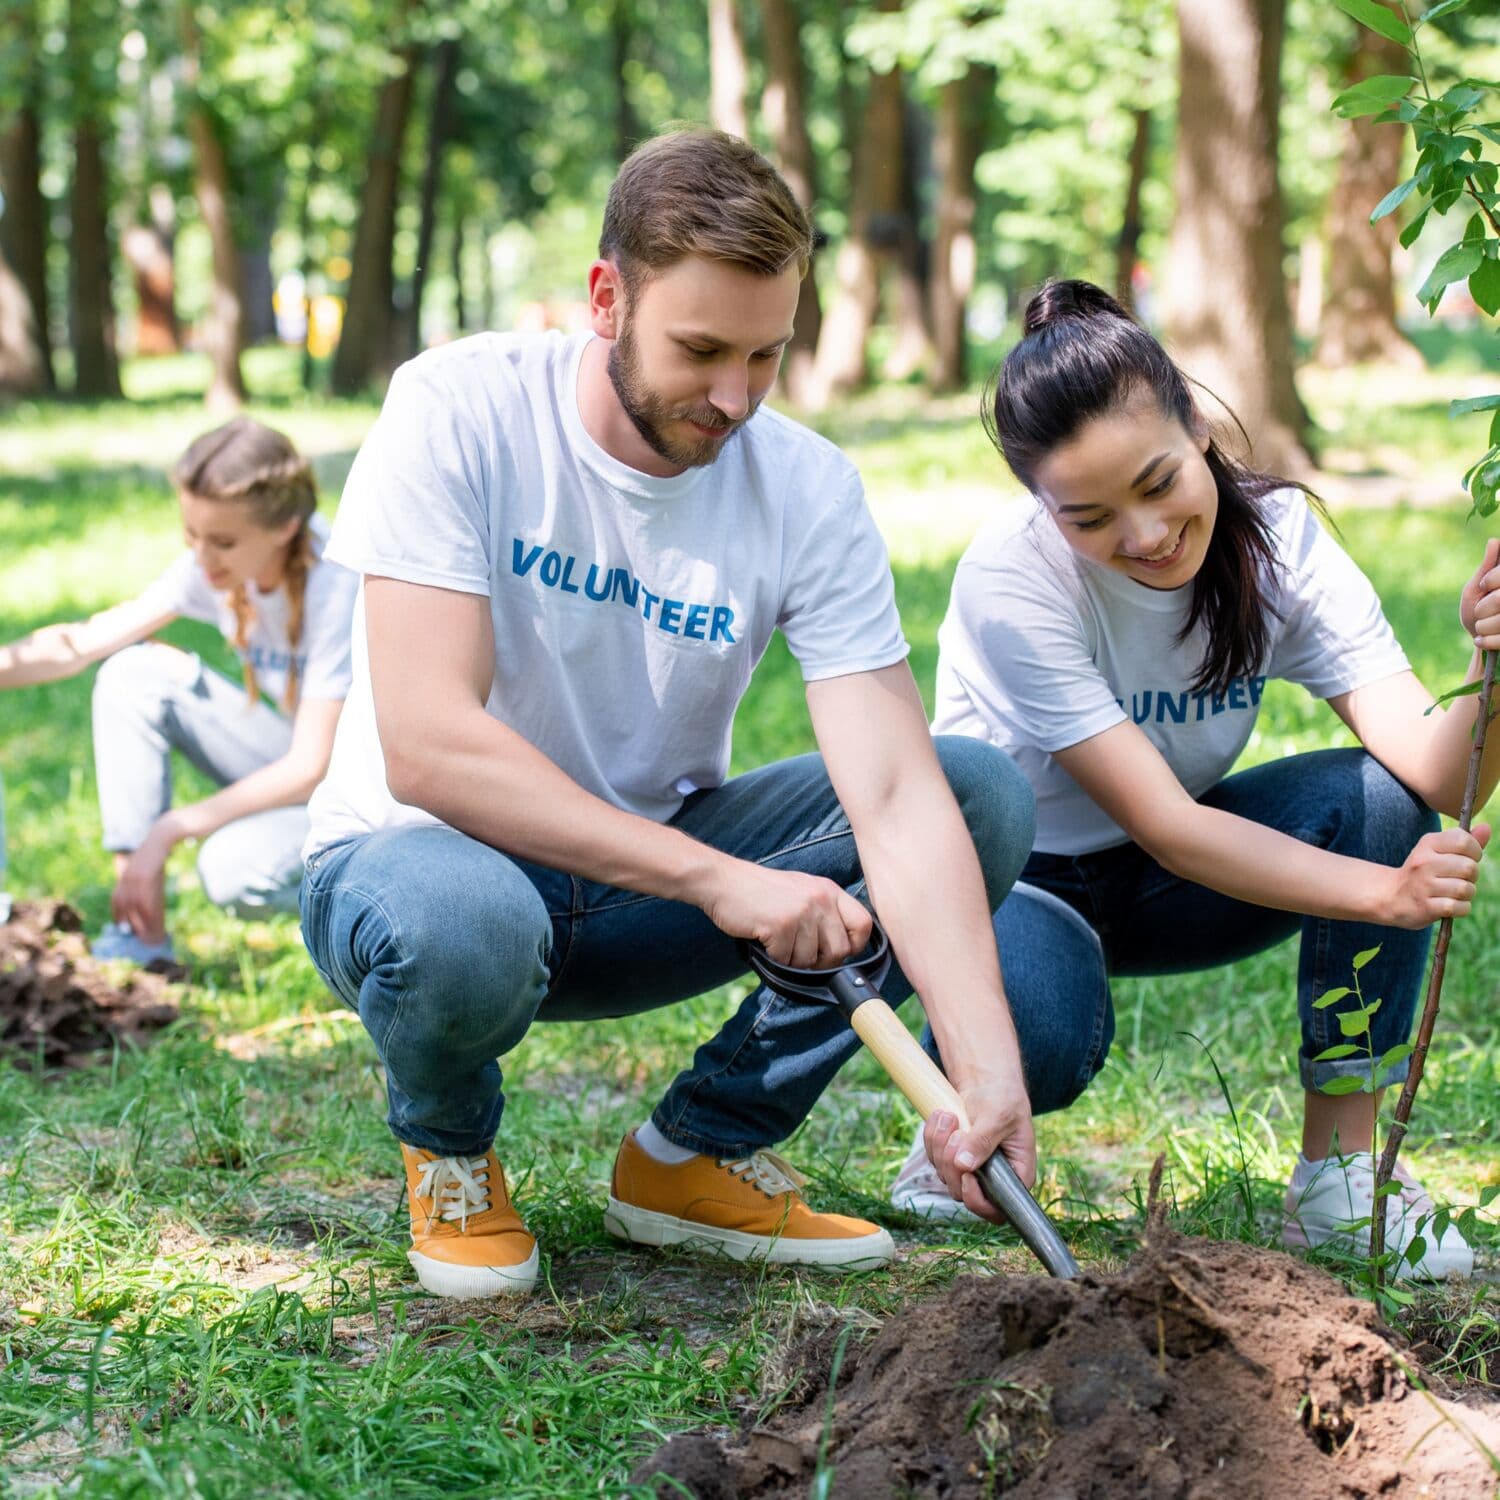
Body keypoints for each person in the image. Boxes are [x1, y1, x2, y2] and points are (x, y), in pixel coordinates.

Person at [298, 128, 1043, 1300]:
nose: (735, 398)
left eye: (768, 355)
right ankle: (448, 1153)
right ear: (608, 298)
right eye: (700, 351)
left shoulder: (805, 486)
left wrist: (984, 1066)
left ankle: (693, 1155)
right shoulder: (457, 407)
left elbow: (896, 796)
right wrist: (716, 881)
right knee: (463, 921)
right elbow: (430, 743)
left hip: (641, 893)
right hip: (424, 872)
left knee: (975, 791)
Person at [889, 280, 1496, 1280]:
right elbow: (1169, 823)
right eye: (1089, 516)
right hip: (1017, 883)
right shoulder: (1013, 577)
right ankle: (963, 1119)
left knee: (1383, 798)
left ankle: (1340, 1181)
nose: (1143, 535)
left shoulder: (1281, 542)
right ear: (1043, 508)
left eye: (1160, 482)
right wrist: (1386, 895)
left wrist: (1490, 665)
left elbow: (1437, 767)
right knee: (1049, 1030)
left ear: (1202, 428)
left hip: (1170, 885)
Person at [0, 418, 357, 962]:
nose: (202, 558)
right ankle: (141, 932)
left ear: (286, 526)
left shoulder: (338, 579)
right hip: (294, 757)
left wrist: (169, 830)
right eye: (191, 536)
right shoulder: (212, 566)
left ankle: (384, 915)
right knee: (131, 674)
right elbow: (81, 644)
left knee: (232, 870)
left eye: (223, 542)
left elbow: (312, 765)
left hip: (363, 794)